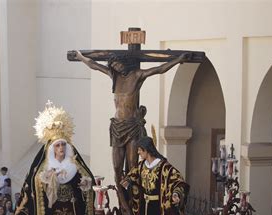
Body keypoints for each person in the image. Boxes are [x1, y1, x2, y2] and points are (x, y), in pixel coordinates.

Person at [75, 51, 189, 191]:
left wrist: (177, 60)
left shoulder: (137, 75)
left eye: (118, 64)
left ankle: (134, 197)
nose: (117, 67)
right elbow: (94, 65)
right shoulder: (114, 76)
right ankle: (122, 198)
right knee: (117, 167)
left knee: (132, 164)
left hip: (131, 126)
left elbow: (159, 70)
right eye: (114, 66)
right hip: (117, 126)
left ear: (125, 62)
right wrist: (80, 57)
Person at [12, 103, 94, 215]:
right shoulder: (43, 170)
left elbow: (85, 183)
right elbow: (32, 191)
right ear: (51, 148)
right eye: (57, 145)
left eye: (63, 144)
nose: (61, 148)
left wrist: (86, 185)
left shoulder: (75, 167)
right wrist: (48, 181)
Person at [120, 136, 189, 215]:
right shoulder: (141, 166)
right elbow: (133, 175)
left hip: (158, 209)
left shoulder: (164, 167)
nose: (138, 153)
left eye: (140, 150)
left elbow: (178, 181)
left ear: (147, 150)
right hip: (143, 208)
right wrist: (128, 181)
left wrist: (176, 194)